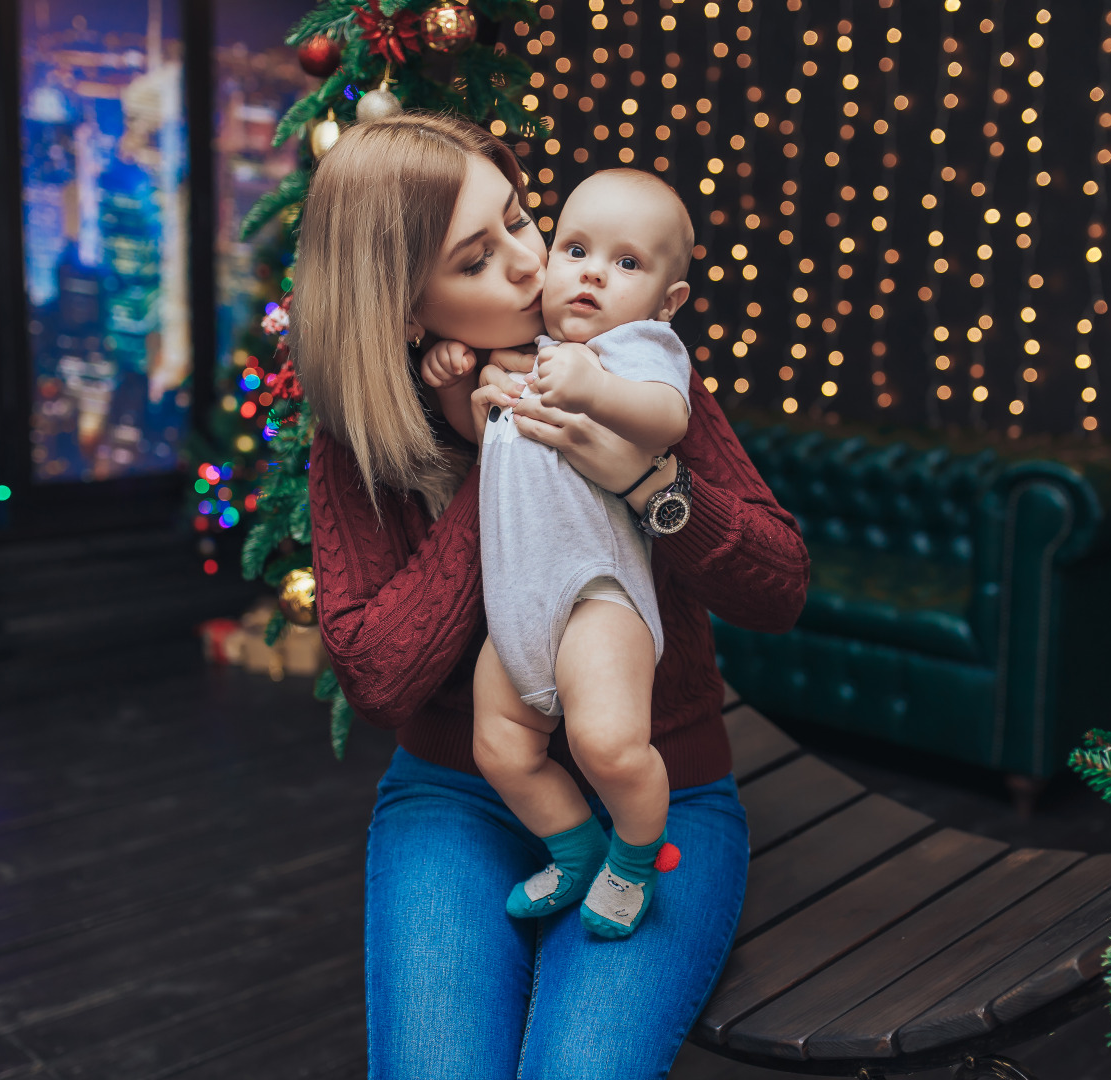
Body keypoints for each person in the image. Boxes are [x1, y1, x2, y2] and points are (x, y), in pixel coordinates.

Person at [292, 112, 808, 1078]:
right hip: (458, 795)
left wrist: (646, 484)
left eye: (523, 220)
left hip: (664, 793)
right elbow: (378, 676)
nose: (535, 265)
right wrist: (507, 459)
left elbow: (779, 587)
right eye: (478, 260)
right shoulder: (362, 433)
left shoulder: (623, 363)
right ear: (407, 310)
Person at [418, 168, 697, 938]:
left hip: (597, 597)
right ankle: (574, 848)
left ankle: (634, 862)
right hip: (519, 607)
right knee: (501, 748)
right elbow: (504, 449)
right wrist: (457, 396)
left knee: (608, 741)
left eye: (628, 264)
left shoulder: (636, 352)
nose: (593, 274)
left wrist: (593, 388)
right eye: (575, 249)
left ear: (666, 302)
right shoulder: (533, 353)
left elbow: (667, 420)